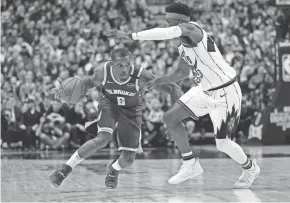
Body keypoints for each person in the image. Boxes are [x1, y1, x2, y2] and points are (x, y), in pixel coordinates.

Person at [107, 2, 260, 188]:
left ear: (178, 21)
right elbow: (180, 73)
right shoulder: (183, 45)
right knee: (170, 117)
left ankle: (250, 168)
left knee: (223, 143)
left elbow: (165, 33)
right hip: (204, 89)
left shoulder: (192, 29)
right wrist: (156, 81)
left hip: (226, 91)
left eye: (168, 21)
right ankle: (190, 164)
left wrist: (130, 36)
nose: (166, 24)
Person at [49, 48, 181, 189]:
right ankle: (64, 170)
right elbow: (86, 83)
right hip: (110, 105)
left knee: (129, 158)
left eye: (127, 64)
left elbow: (173, 88)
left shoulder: (142, 76)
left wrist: (174, 122)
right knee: (102, 139)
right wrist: (65, 91)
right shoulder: (102, 72)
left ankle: (113, 169)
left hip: (131, 110)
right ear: (111, 64)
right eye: (119, 65)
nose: (125, 69)